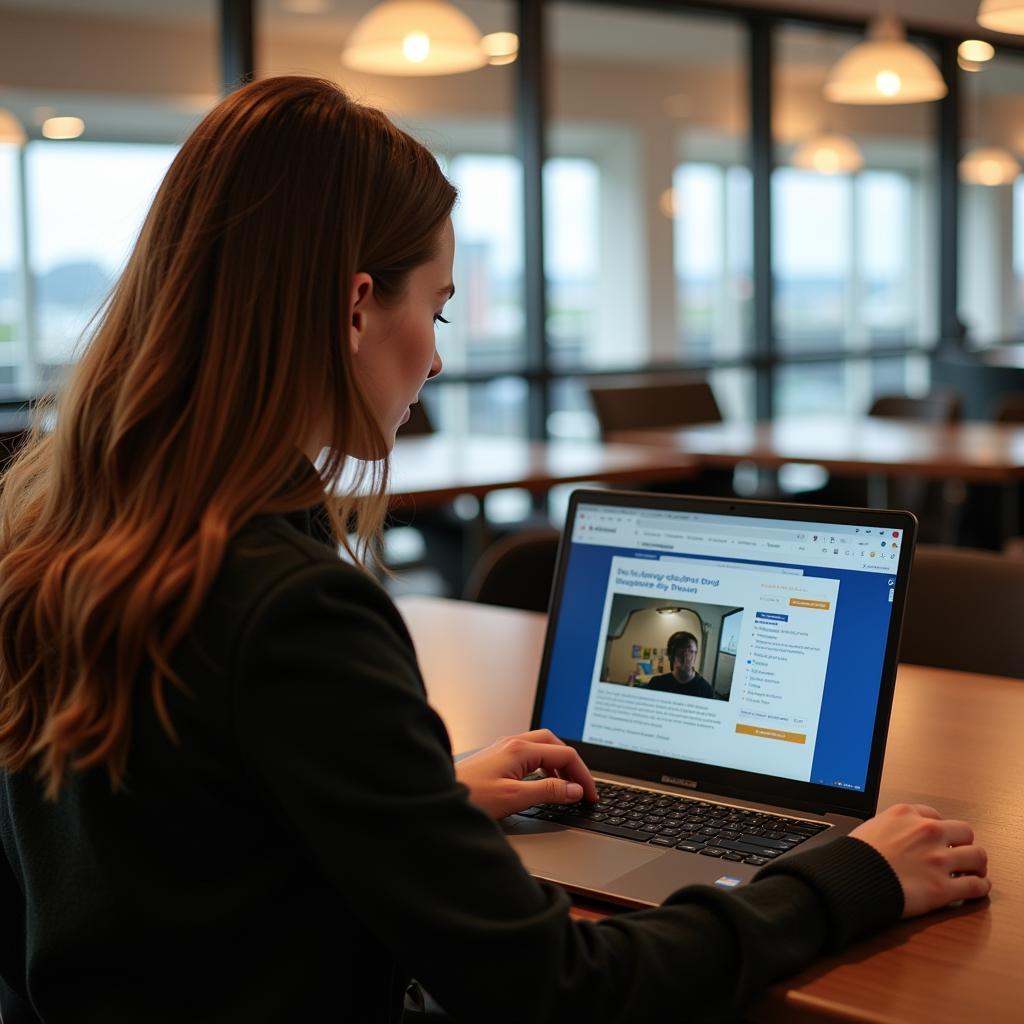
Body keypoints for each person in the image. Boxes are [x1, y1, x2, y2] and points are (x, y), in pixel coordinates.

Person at [0, 76, 990, 1024]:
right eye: (432, 309)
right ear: (354, 308)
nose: (434, 356)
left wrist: (412, 805)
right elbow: (559, 992)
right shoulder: (290, 610)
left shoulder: (58, 537)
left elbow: (172, 851)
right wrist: (848, 877)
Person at [645, 630, 714, 698]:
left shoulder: (706, 690)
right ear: (670, 655)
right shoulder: (656, 684)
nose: (686, 656)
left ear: (696, 654)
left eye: (691, 651)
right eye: (680, 652)